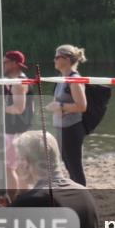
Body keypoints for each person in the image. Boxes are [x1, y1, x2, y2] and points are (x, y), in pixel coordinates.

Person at [48, 44, 89, 185]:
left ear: (66, 59)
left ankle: (83, 198)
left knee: (75, 167)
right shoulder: (62, 78)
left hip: (72, 128)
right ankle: (77, 196)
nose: (54, 60)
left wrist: (60, 106)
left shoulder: (74, 79)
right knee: (68, 165)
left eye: (56, 57)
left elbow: (82, 106)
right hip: (62, 127)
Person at [2, 50, 33, 196]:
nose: (2, 65)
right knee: (19, 168)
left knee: (12, 168)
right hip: (19, 130)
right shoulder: (17, 80)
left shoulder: (18, 83)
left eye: (4, 62)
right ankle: (23, 199)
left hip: (16, 131)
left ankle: (15, 200)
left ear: (14, 64)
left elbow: (18, 108)